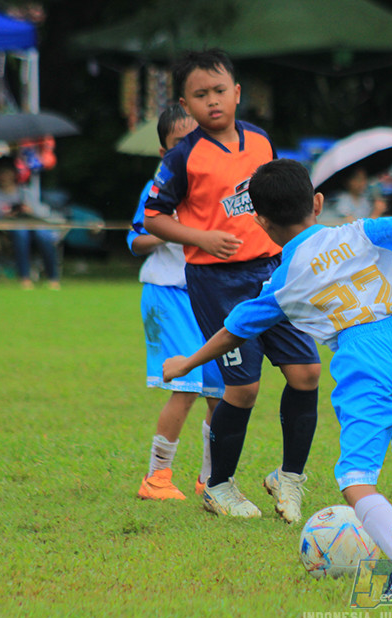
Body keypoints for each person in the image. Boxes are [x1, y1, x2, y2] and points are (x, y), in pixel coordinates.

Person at [163, 158, 392, 585]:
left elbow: (234, 329)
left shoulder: (283, 282)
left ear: (260, 222)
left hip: (364, 358)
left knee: (354, 478)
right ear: (318, 202)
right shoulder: (360, 231)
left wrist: (186, 362)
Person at [143, 49, 321, 524]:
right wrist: (200, 236)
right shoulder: (184, 157)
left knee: (306, 373)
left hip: (272, 273)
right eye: (200, 95)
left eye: (219, 91)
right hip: (216, 282)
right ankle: (218, 486)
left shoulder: (261, 142)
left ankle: (290, 476)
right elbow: (153, 217)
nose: (212, 102)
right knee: (241, 391)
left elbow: (281, 197)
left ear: (237, 93)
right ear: (186, 102)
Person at [128, 103, 223, 501]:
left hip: (208, 295)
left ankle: (212, 479)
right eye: (177, 143)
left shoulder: (217, 183)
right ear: (164, 152)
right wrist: (171, 233)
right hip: (168, 294)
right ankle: (157, 478)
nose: (187, 148)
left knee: (221, 390)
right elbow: (135, 240)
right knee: (187, 386)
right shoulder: (158, 188)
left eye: (194, 139)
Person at [0, 155, 61, 290]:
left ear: (14, 174)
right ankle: (24, 278)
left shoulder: (26, 194)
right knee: (20, 231)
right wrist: (5, 217)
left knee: (44, 235)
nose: (4, 176)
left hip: (33, 232)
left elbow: (44, 216)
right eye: (0, 173)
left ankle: (53, 279)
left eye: (7, 172)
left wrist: (29, 210)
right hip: (5, 237)